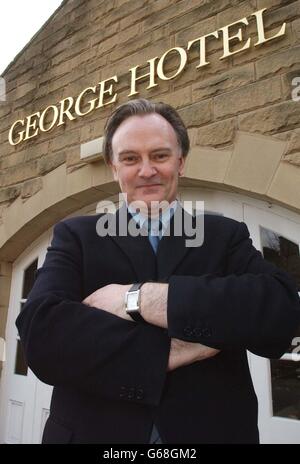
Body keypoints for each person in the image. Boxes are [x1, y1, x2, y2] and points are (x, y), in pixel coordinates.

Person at [16, 98, 300, 444]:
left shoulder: (223, 235)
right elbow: (41, 337)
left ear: (180, 162)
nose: (146, 170)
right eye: (130, 158)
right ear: (113, 168)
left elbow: (280, 312)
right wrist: (173, 349)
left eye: (160, 156)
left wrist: (136, 298)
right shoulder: (76, 236)